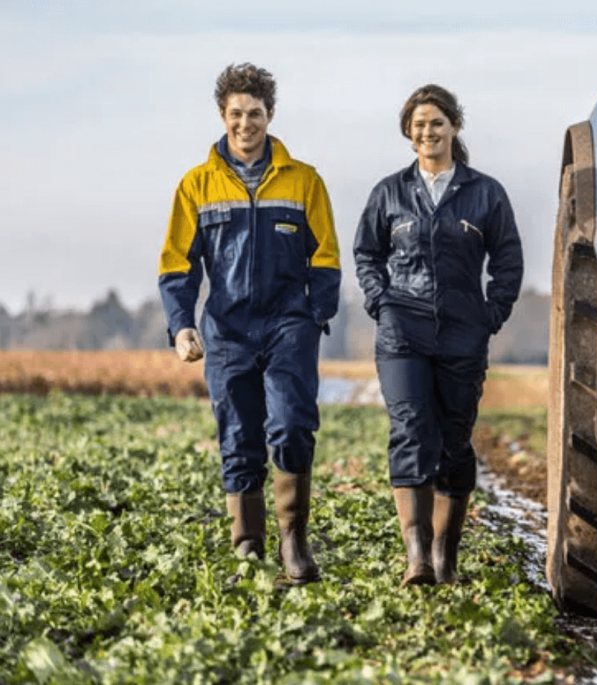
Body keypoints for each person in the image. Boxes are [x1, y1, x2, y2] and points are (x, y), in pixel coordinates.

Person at [158, 63, 341, 585]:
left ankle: (293, 542)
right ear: (223, 115)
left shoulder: (305, 181)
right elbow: (177, 264)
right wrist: (181, 325)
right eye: (236, 114)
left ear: (270, 116)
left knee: (291, 425)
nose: (245, 124)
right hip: (227, 330)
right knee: (238, 436)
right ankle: (247, 549)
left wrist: (314, 316)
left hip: (289, 325)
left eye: (255, 114)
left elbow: (325, 258)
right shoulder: (196, 186)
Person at [353, 84, 523, 586]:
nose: (428, 132)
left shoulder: (485, 192)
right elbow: (366, 253)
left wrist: (492, 313)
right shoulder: (389, 192)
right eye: (419, 124)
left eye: (437, 123)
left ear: (454, 127)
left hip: (462, 333)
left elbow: (508, 258)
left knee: (453, 441)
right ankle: (417, 559)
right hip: (401, 331)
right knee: (410, 431)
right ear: (408, 134)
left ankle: (447, 557)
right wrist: (380, 301)